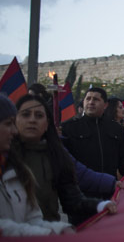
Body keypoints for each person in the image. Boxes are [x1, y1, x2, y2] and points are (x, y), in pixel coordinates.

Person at [14, 94, 116, 226]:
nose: (32, 120)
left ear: (47, 124)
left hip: (46, 235)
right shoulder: (5, 156)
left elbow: (72, 200)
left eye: (39, 115)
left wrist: (101, 205)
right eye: (26, 114)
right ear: (14, 119)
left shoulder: (57, 155)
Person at [0, 95, 73, 236]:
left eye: (39, 116)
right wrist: (45, 233)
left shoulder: (19, 171)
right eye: (8, 124)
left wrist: (60, 229)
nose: (14, 131)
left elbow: (32, 219)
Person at [62, 87, 124, 178]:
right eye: (88, 99)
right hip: (80, 186)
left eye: (96, 99)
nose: (91, 102)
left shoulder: (116, 129)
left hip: (109, 185)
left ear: (105, 105)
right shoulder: (69, 127)